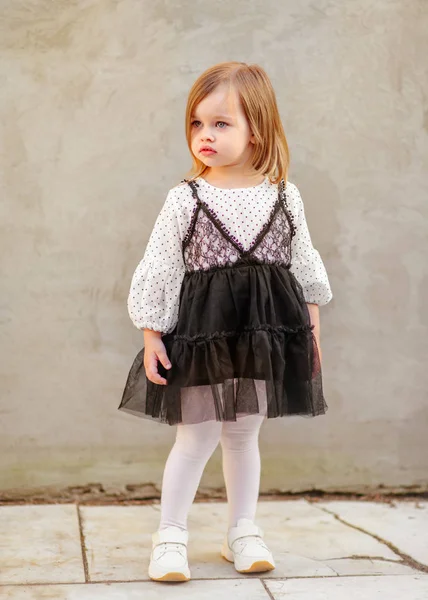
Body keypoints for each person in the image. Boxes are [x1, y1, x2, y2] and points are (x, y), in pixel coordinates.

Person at [119, 61, 333, 583]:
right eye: (196, 124)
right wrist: (151, 332)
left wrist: (312, 332)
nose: (204, 136)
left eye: (220, 123)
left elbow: (303, 265)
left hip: (266, 332)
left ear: (256, 128)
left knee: (243, 434)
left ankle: (243, 529)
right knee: (196, 435)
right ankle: (170, 535)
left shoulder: (285, 194)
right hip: (203, 333)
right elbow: (162, 267)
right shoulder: (185, 199)